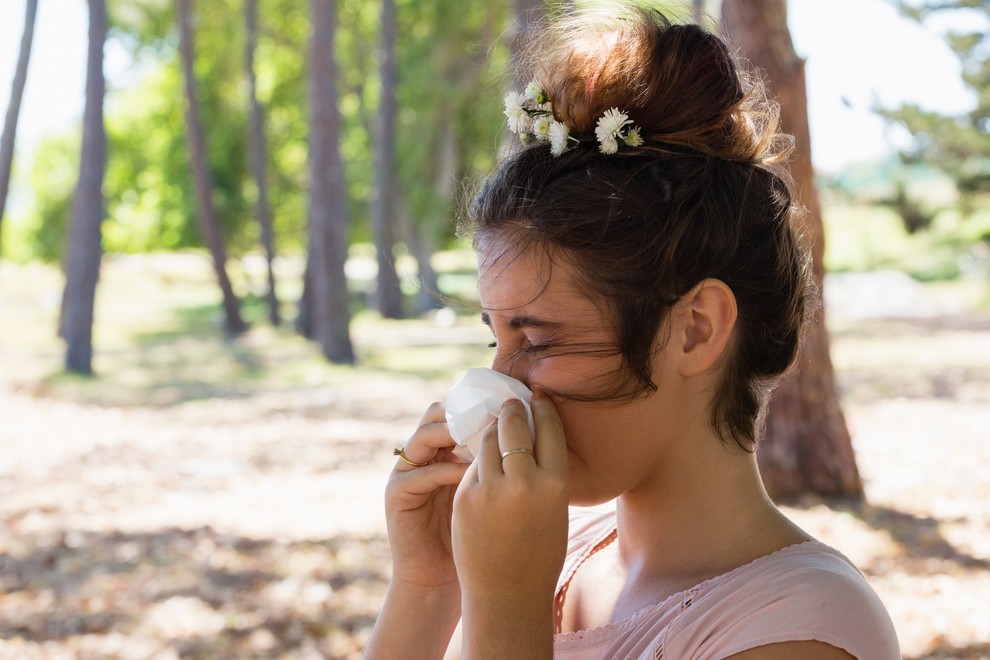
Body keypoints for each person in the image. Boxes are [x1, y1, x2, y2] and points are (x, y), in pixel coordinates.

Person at [364, 5, 900, 659]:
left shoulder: (800, 627)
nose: (501, 381)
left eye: (540, 339)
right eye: (495, 337)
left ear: (695, 330)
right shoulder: (550, 557)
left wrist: (507, 605)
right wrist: (429, 585)